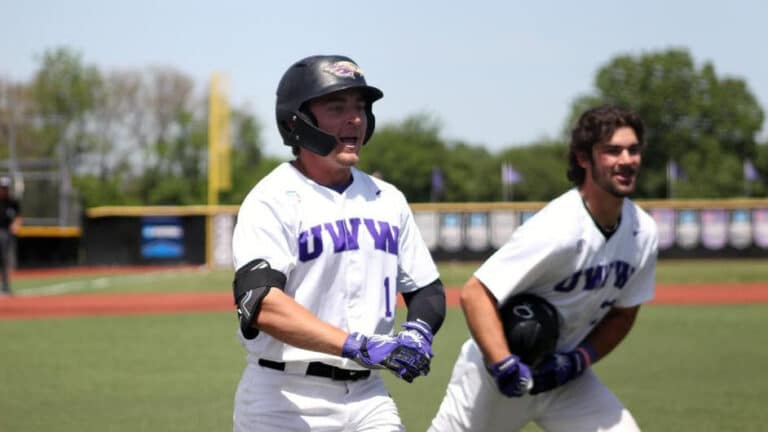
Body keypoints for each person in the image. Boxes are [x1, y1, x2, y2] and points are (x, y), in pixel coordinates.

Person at [230, 55, 446, 432]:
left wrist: (418, 332)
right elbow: (261, 305)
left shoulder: (387, 198)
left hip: (367, 398)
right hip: (283, 399)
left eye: (360, 107)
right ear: (298, 122)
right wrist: (356, 345)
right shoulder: (272, 198)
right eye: (337, 107)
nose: (356, 119)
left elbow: (426, 288)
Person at [429, 104, 658, 432]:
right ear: (584, 158)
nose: (626, 160)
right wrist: (504, 364)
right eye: (612, 150)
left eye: (633, 150)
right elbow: (475, 293)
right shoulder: (559, 228)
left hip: (565, 376)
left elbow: (622, 315)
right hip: (498, 375)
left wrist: (579, 360)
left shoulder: (643, 232)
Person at [0, 176, 22, 296]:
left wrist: (15, 224)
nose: (4, 190)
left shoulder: (12, 202)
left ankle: (5, 287)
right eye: (2, 188)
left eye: (5, 188)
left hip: (5, 233)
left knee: (4, 260)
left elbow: (19, 217)